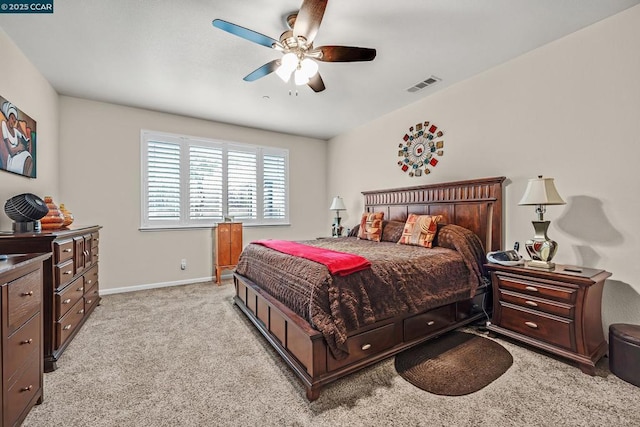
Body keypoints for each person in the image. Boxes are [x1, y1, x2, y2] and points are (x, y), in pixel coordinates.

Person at [1, 101, 33, 176]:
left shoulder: (15, 131)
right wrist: (19, 148)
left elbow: (24, 137)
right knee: (27, 157)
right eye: (12, 118)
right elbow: (11, 151)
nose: (14, 121)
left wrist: (27, 142)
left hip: (18, 154)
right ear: (8, 117)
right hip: (12, 158)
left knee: (29, 157)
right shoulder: (4, 125)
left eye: (15, 119)